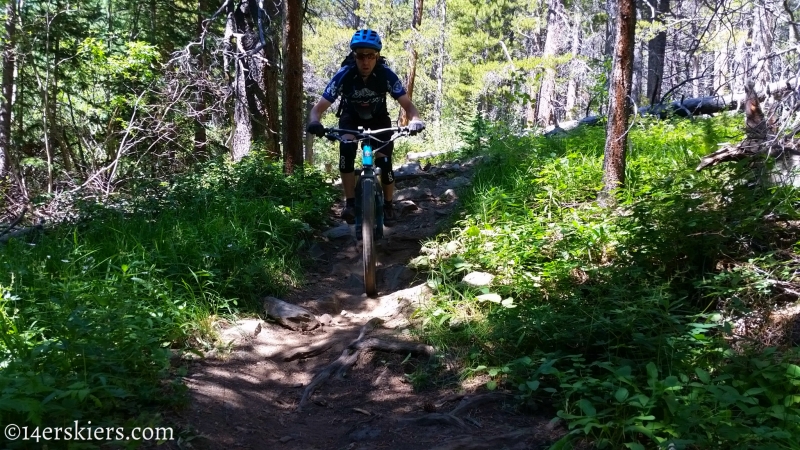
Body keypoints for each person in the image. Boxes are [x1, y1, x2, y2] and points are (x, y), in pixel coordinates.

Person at [306, 29, 425, 225]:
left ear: (377, 56)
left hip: (379, 120)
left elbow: (408, 105)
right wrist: (314, 122)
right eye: (361, 56)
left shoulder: (385, 75)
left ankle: (388, 205)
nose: (365, 61)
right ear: (354, 56)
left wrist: (415, 120)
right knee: (346, 150)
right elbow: (317, 109)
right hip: (350, 119)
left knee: (384, 162)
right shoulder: (344, 75)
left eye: (370, 56)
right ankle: (350, 204)